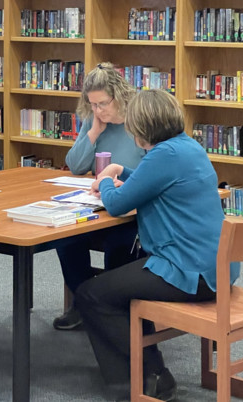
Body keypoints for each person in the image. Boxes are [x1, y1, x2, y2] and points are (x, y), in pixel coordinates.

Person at [76, 89, 240, 401]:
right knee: (122, 280)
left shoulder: (163, 156)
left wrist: (108, 178)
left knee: (91, 294)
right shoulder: (187, 147)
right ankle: (140, 374)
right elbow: (149, 180)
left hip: (190, 272)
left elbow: (117, 204)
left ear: (141, 128)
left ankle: (149, 376)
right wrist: (123, 171)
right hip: (216, 266)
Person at [53, 63, 146, 330]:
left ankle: (113, 307)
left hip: (131, 209)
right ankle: (84, 301)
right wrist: (93, 131)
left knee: (121, 242)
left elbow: (151, 170)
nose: (98, 110)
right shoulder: (93, 121)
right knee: (66, 238)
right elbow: (76, 165)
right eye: (92, 105)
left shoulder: (139, 121)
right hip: (97, 204)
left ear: (120, 96)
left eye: (103, 104)